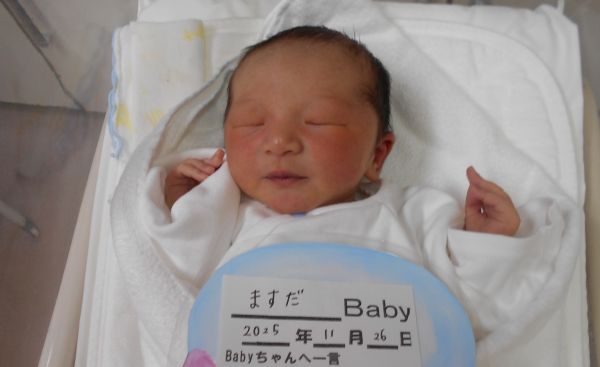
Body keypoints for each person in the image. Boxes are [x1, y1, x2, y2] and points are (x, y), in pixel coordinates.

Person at [162, 25, 520, 237]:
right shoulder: (227, 219)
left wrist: (485, 245)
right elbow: (178, 284)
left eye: (319, 121)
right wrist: (184, 205)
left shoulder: (413, 217)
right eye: (253, 122)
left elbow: (470, 304)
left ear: (377, 155)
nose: (279, 142)